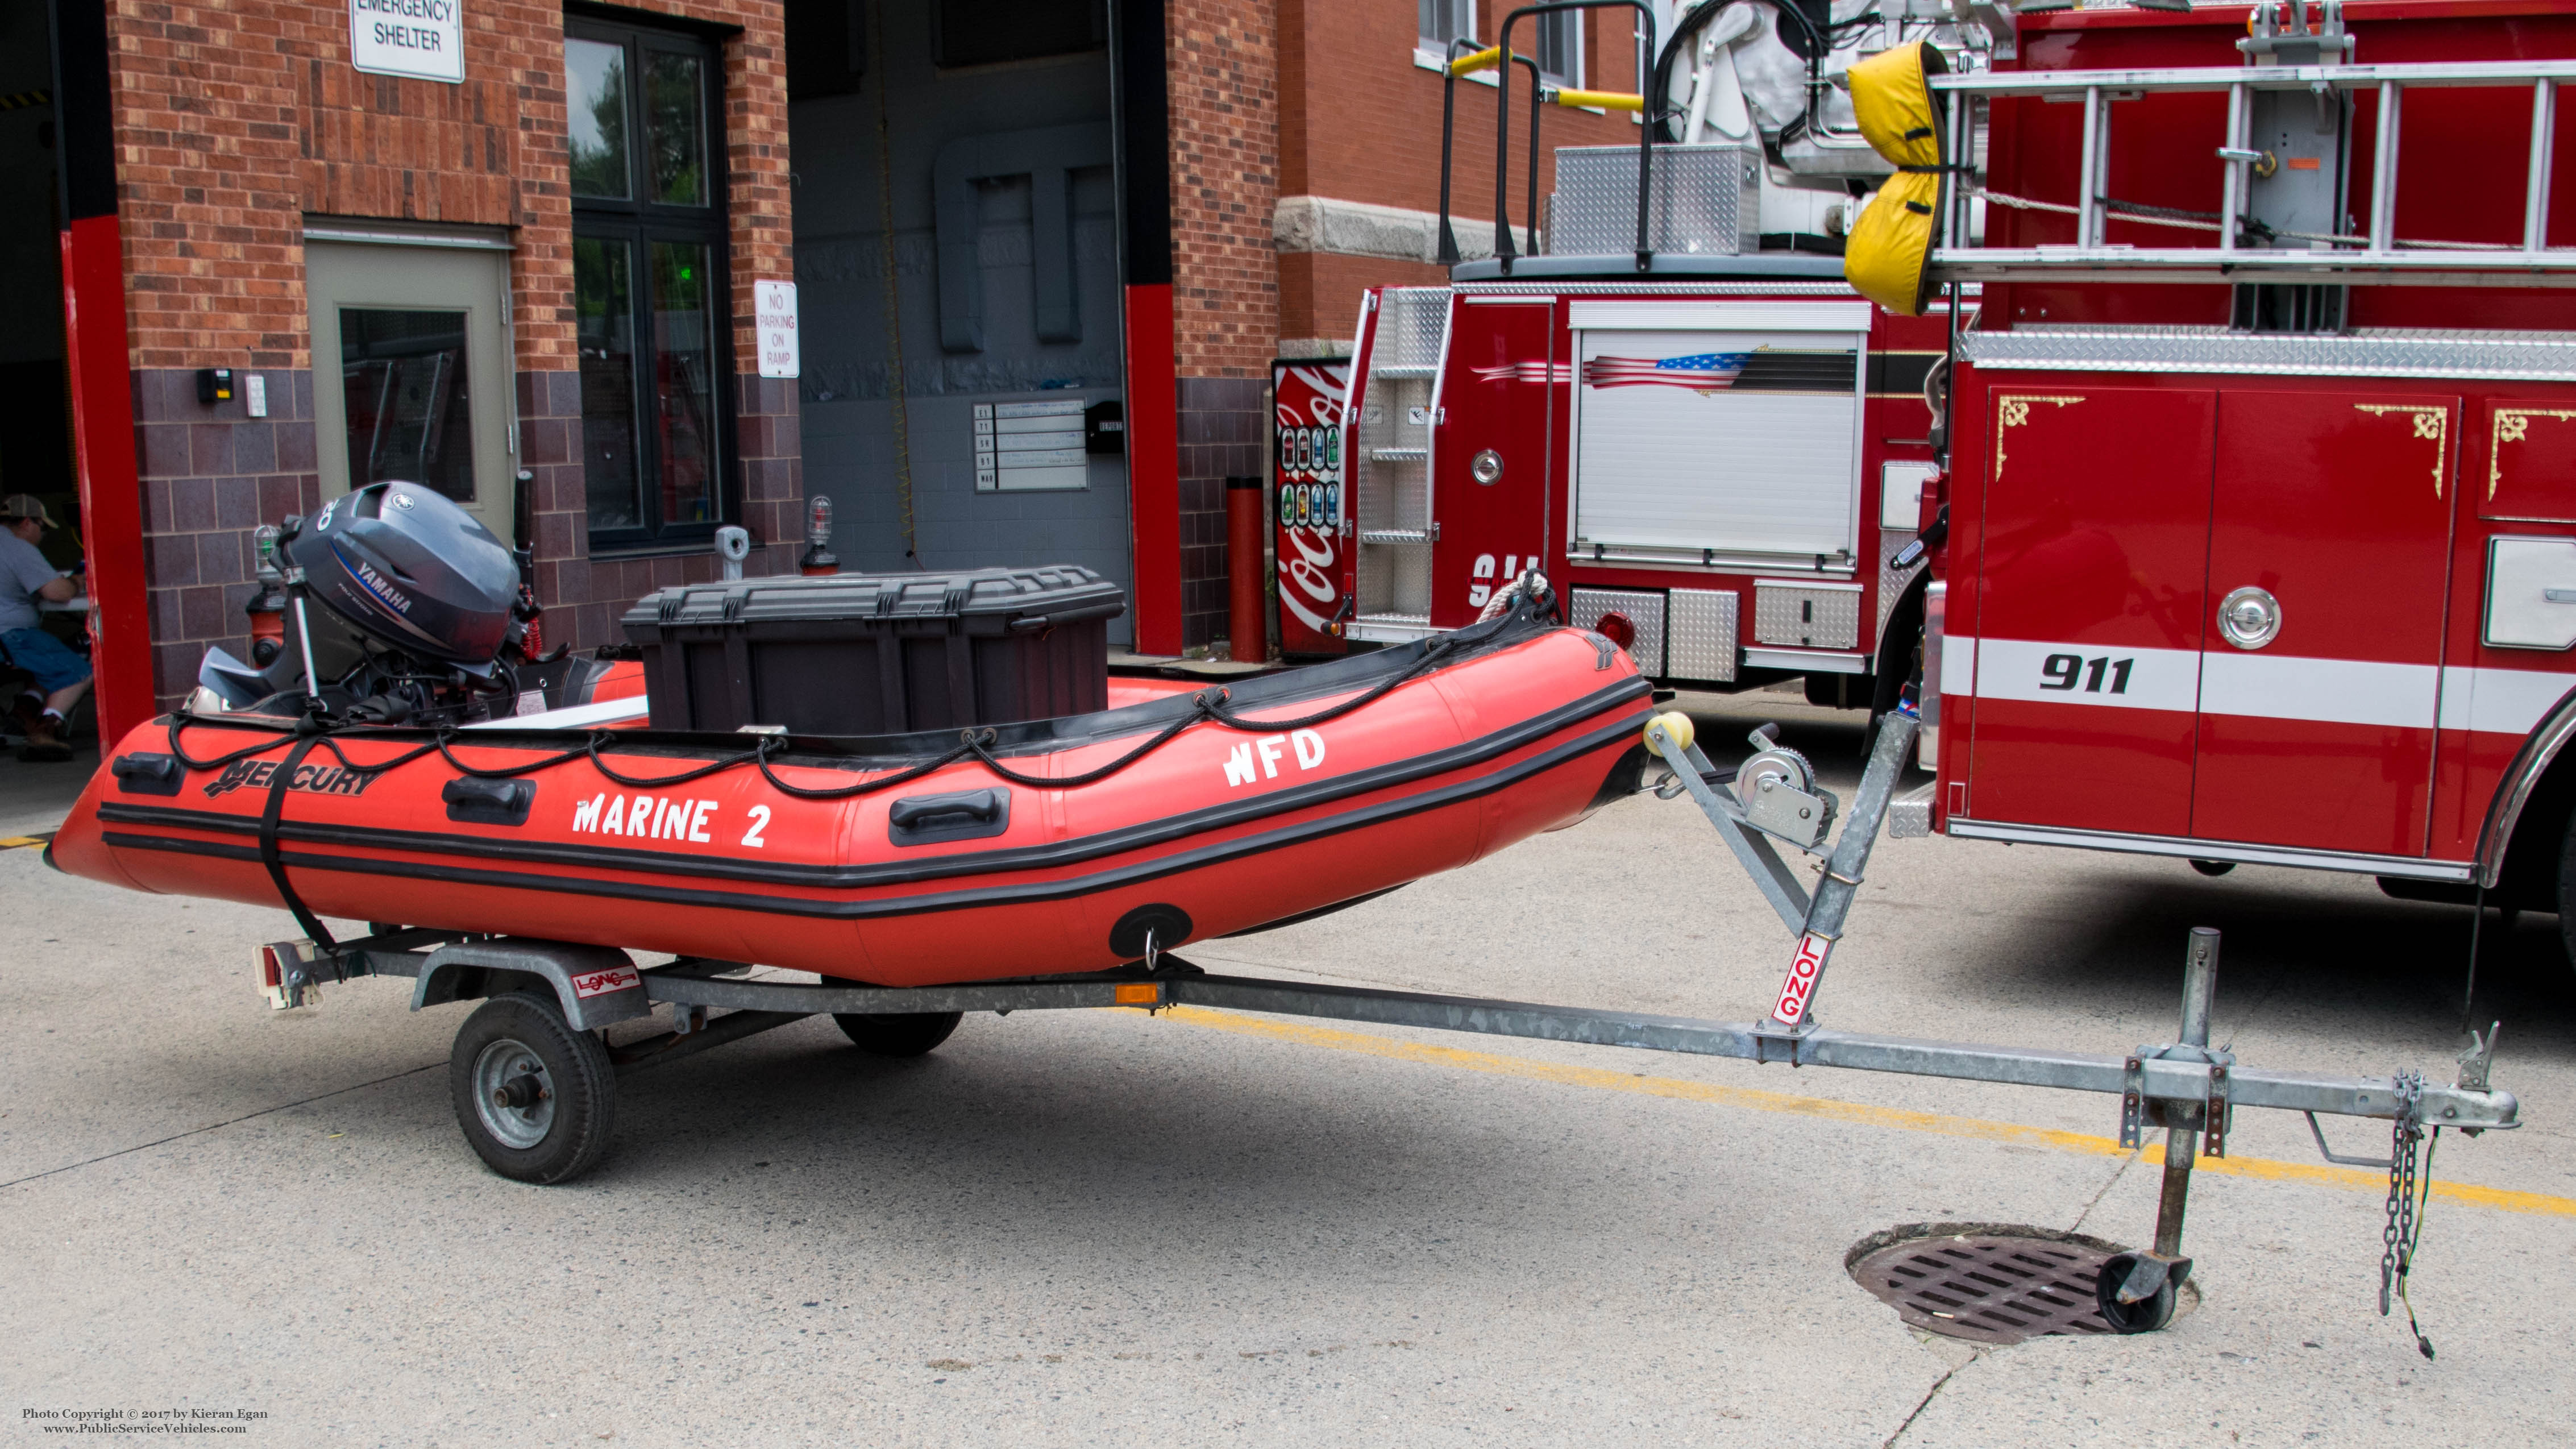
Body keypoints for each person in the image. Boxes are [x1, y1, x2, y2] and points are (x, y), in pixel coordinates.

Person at [1, 494, 90, 762]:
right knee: (78, 670)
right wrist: (76, 581)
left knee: (48, 656)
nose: (42, 537)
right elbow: (56, 592)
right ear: (28, 523)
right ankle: (45, 729)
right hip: (10, 637)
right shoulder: (17, 547)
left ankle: (24, 711)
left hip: (9, 641)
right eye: (43, 529)